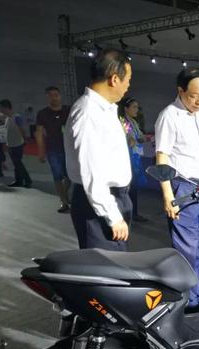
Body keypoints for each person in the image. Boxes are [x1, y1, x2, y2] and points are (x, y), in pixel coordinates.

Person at [155, 68, 199, 311]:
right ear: (180, 90)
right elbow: (162, 158)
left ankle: (198, 297)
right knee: (186, 250)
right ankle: (185, 302)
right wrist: (168, 195)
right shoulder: (169, 116)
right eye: (194, 96)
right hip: (183, 188)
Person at [64, 48, 133, 250]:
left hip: (113, 198)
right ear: (114, 79)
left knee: (117, 262)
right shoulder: (88, 113)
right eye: (128, 79)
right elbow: (91, 171)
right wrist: (112, 215)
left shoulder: (105, 109)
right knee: (105, 264)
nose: (128, 85)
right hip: (98, 203)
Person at [35, 86, 71, 213]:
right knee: (57, 176)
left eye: (56, 95)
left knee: (70, 176)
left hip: (69, 149)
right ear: (47, 97)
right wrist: (41, 151)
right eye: (50, 95)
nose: (54, 98)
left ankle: (64, 195)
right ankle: (63, 201)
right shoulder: (43, 113)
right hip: (53, 150)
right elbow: (39, 133)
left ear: (60, 96)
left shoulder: (68, 110)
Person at [118, 97, 148, 223]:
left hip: (135, 157)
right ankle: (127, 215)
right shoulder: (123, 122)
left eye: (137, 107)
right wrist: (134, 139)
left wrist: (143, 138)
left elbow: (139, 137)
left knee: (133, 188)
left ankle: (133, 214)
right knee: (127, 188)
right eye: (134, 107)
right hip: (127, 158)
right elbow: (130, 139)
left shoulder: (133, 122)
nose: (137, 110)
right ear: (126, 108)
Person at [0, 100, 32, 188]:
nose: (0, 110)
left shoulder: (16, 117)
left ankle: (27, 180)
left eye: (1, 108)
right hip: (11, 144)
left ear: (6, 108)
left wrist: (24, 140)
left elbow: (23, 130)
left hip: (17, 144)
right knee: (16, 164)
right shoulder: (7, 118)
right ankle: (19, 181)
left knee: (18, 163)